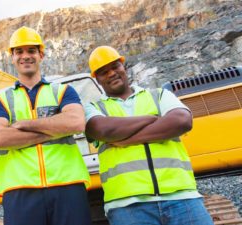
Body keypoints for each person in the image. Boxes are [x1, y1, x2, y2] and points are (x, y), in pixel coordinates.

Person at [84, 45, 214, 225]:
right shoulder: (94, 108)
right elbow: (103, 130)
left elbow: (182, 121)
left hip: (181, 196)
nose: (111, 73)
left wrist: (128, 139)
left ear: (124, 67)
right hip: (128, 204)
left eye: (115, 67)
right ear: (97, 79)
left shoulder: (159, 94)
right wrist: (152, 118)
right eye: (103, 72)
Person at [0, 26, 92, 225]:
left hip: (67, 186)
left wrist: (25, 124)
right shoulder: (1, 99)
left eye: (31, 51)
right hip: (20, 191)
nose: (25, 56)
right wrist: (54, 129)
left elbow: (76, 122)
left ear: (41, 55)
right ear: (12, 57)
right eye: (19, 51)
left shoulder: (62, 91)